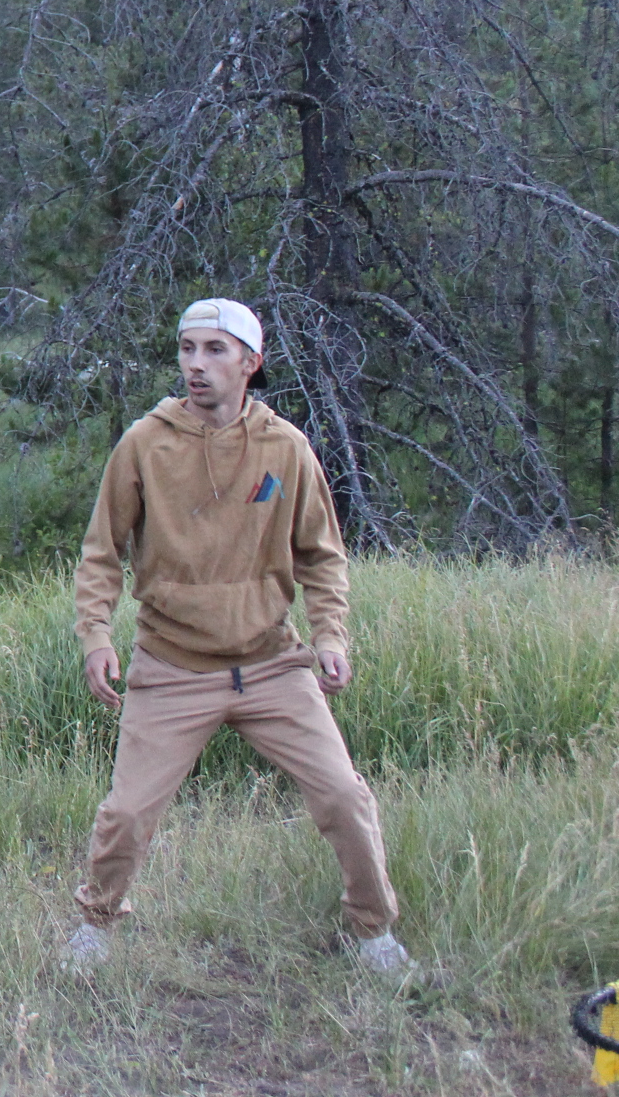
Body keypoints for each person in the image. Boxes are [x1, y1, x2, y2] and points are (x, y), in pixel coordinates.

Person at [61, 297, 408, 974]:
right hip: (172, 666)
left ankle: (375, 935)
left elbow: (322, 558)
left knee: (345, 796)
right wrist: (96, 636)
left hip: (271, 663)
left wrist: (330, 637)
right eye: (187, 349)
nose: (196, 365)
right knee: (127, 813)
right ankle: (95, 925)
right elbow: (101, 553)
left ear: (251, 362)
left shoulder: (286, 448)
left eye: (214, 350)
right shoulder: (144, 444)